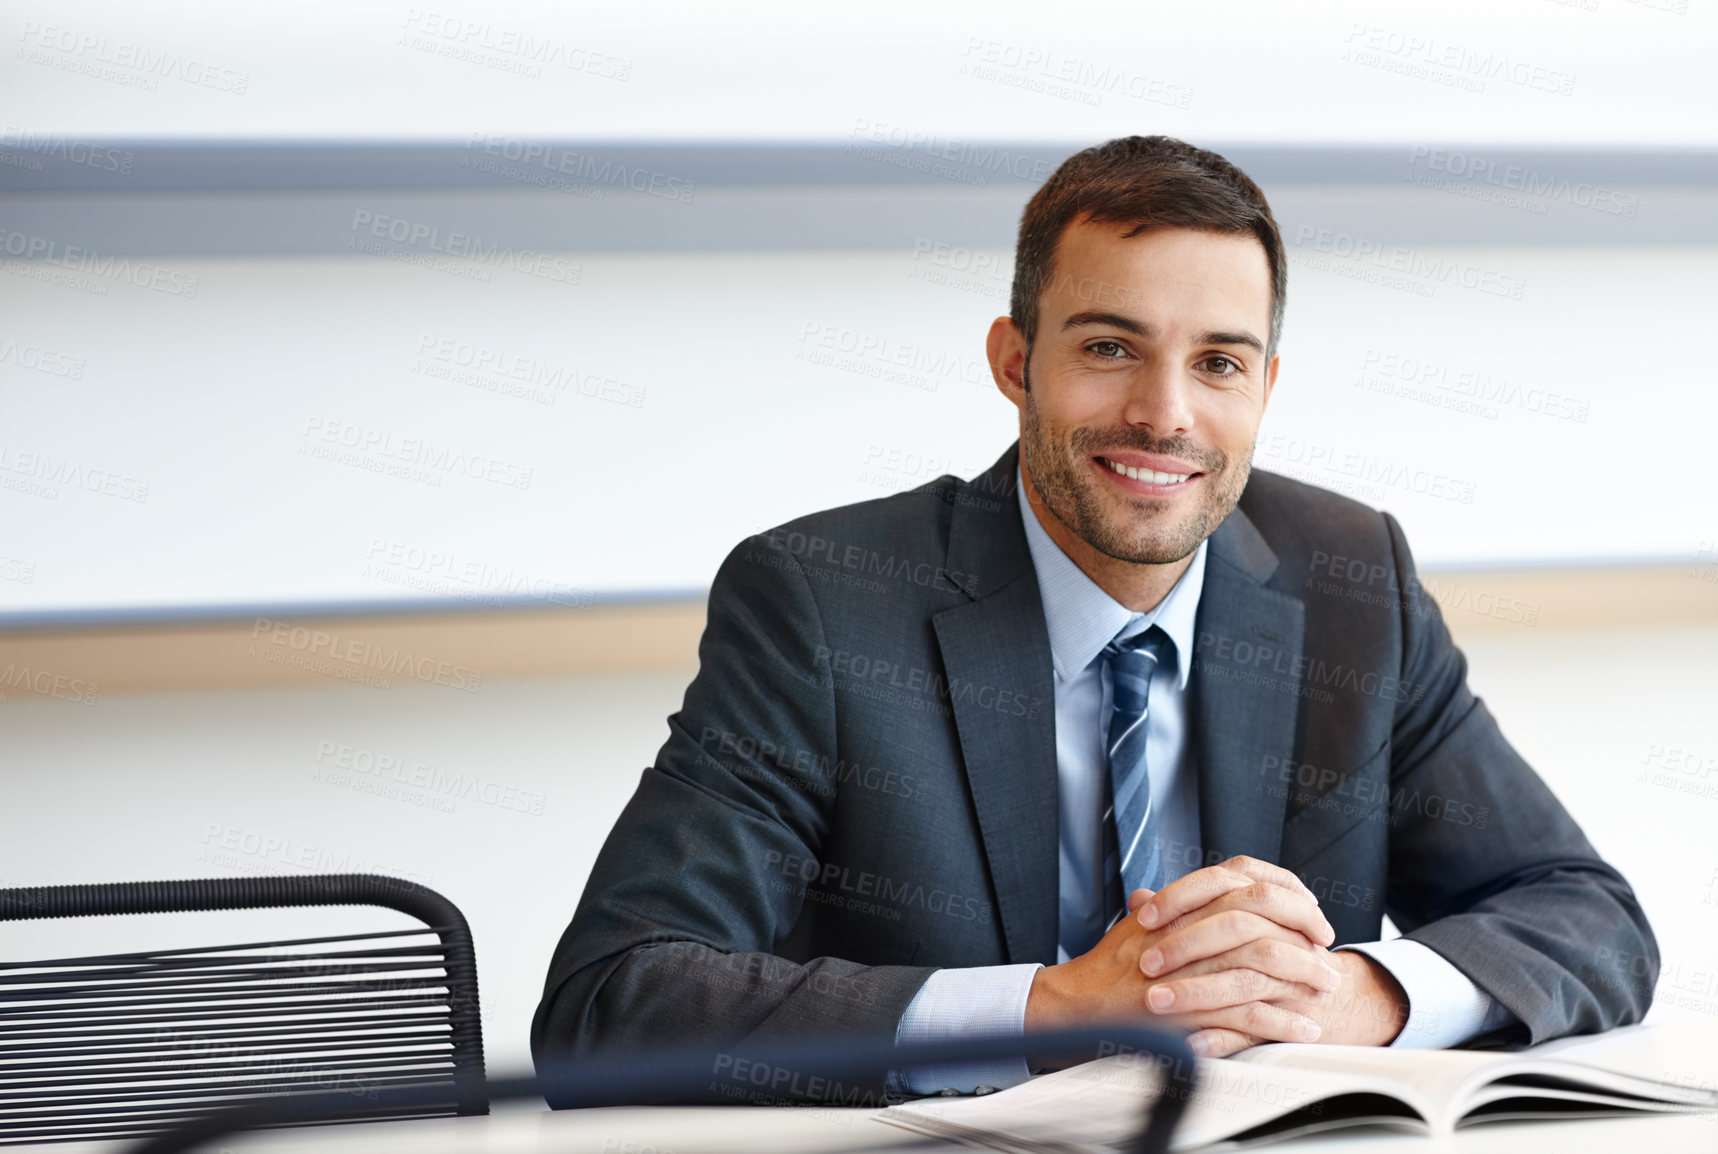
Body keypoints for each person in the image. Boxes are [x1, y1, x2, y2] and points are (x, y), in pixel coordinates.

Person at [532, 135, 1656, 1098]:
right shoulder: (822, 598)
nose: (1163, 415)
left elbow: (1584, 915)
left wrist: (1349, 993)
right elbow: (614, 999)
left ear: (1264, 388)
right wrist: (1056, 1004)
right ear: (1014, 361)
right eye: (1109, 346)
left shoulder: (1351, 579)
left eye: (1217, 362)